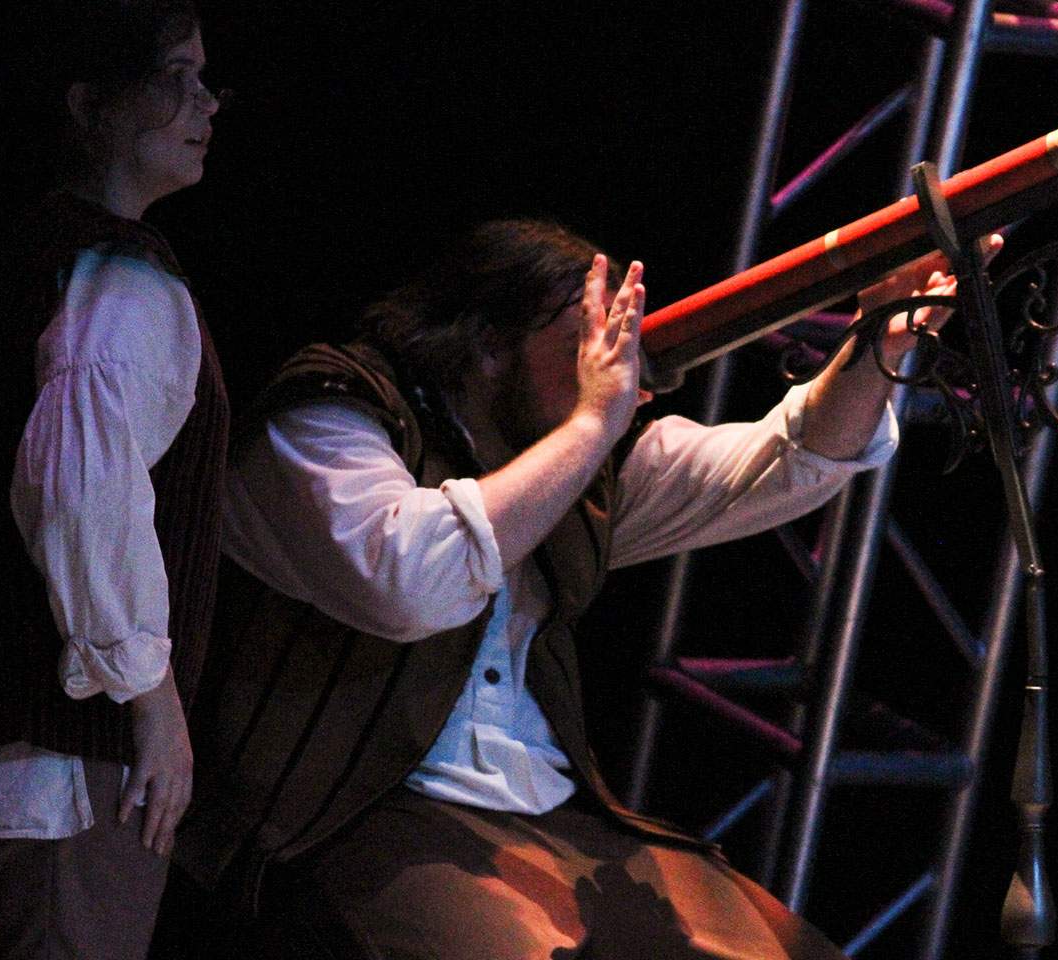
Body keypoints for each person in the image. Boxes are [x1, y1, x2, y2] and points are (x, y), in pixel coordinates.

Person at [177, 218, 989, 959]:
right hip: (348, 815)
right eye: (584, 339)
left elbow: (786, 463)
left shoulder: (572, 461)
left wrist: (880, 341)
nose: (614, 365)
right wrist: (591, 426)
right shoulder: (329, 420)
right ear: (487, 343)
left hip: (550, 809)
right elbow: (411, 581)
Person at [0, 2, 229, 957]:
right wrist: (153, 706)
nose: (204, 100)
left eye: (209, 79)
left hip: (12, 762)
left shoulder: (39, 256)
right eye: (177, 75)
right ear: (92, 103)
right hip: (57, 772)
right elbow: (76, 486)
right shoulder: (116, 272)